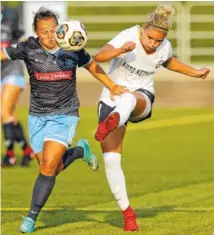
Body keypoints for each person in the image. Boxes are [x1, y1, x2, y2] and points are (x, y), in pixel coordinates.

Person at [1, 7, 128, 233]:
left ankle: (31, 218)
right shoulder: (28, 47)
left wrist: (112, 86)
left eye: (53, 30)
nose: (49, 35)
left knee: (48, 169)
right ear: (35, 32)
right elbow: (3, 54)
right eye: (44, 31)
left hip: (65, 114)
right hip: (37, 116)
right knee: (50, 167)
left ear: (60, 28)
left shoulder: (72, 47)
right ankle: (80, 151)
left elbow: (93, 66)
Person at [94, 4, 210, 232]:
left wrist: (194, 72)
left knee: (128, 98)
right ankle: (128, 214)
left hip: (141, 100)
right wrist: (118, 51)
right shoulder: (128, 35)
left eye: (158, 41)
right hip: (110, 97)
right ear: (143, 30)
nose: (153, 44)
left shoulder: (164, 46)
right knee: (111, 160)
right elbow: (99, 56)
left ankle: (112, 121)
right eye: (150, 39)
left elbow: (169, 62)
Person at [1, 4, 34, 167]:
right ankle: (27, 151)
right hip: (2, 74)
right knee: (9, 115)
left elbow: (20, 42)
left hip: (13, 71)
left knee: (4, 111)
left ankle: (10, 155)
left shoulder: (8, 20)